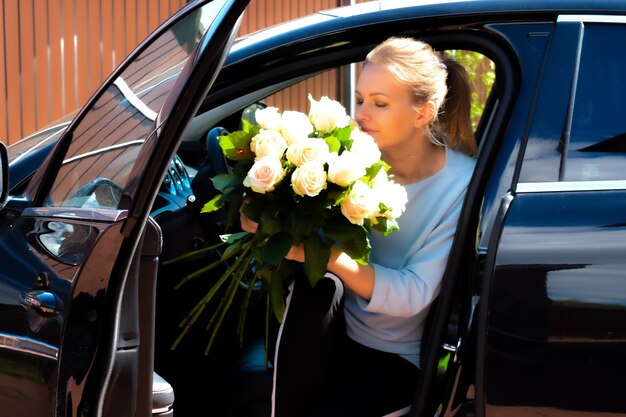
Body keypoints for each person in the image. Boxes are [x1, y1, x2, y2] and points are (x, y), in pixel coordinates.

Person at [239, 36, 477, 417]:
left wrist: (324, 256)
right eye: (361, 98)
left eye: (380, 104)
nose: (362, 113)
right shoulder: (348, 156)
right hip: (334, 326)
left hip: (396, 356)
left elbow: (413, 294)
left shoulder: (461, 187)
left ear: (422, 113)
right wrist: (266, 212)